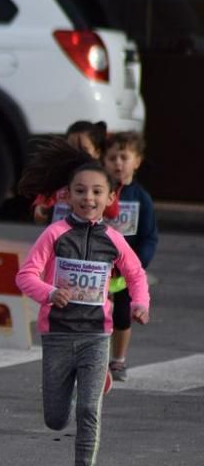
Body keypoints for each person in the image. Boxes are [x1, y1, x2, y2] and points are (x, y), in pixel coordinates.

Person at [15, 140, 149, 466]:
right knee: (56, 418)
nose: (87, 198)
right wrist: (48, 292)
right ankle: (87, 387)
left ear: (109, 198)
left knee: (88, 411)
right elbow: (25, 275)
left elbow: (136, 274)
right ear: (67, 195)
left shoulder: (114, 240)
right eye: (79, 191)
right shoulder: (54, 235)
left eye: (96, 192)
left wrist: (140, 304)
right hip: (58, 335)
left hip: (96, 336)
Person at [103, 131, 159, 382]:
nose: (118, 163)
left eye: (124, 157)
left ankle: (118, 360)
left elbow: (149, 236)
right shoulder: (98, 193)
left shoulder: (142, 199)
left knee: (123, 314)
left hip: (126, 270)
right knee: (95, 312)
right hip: (99, 266)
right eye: (112, 157)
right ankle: (93, 358)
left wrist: (138, 263)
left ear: (137, 161)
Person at [25, 121, 112, 225]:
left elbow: (113, 211)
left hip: (88, 236)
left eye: (84, 149)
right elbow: (44, 196)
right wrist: (39, 207)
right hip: (59, 236)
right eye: (72, 147)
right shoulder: (58, 173)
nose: (77, 153)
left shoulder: (102, 179)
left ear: (97, 152)